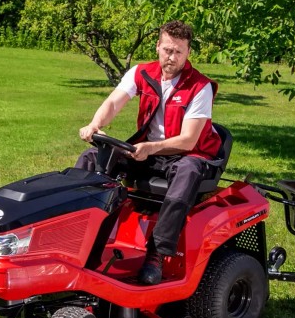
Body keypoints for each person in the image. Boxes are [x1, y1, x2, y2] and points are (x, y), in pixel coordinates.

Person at [75, 20, 224, 285]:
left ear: (188, 52)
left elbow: (189, 141)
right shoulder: (141, 73)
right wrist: (96, 124)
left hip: (188, 155)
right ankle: (80, 236)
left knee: (187, 171)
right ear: (157, 46)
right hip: (149, 152)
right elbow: (113, 102)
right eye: (168, 49)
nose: (172, 57)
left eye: (179, 51)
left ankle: (157, 254)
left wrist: (149, 148)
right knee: (91, 159)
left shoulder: (199, 87)